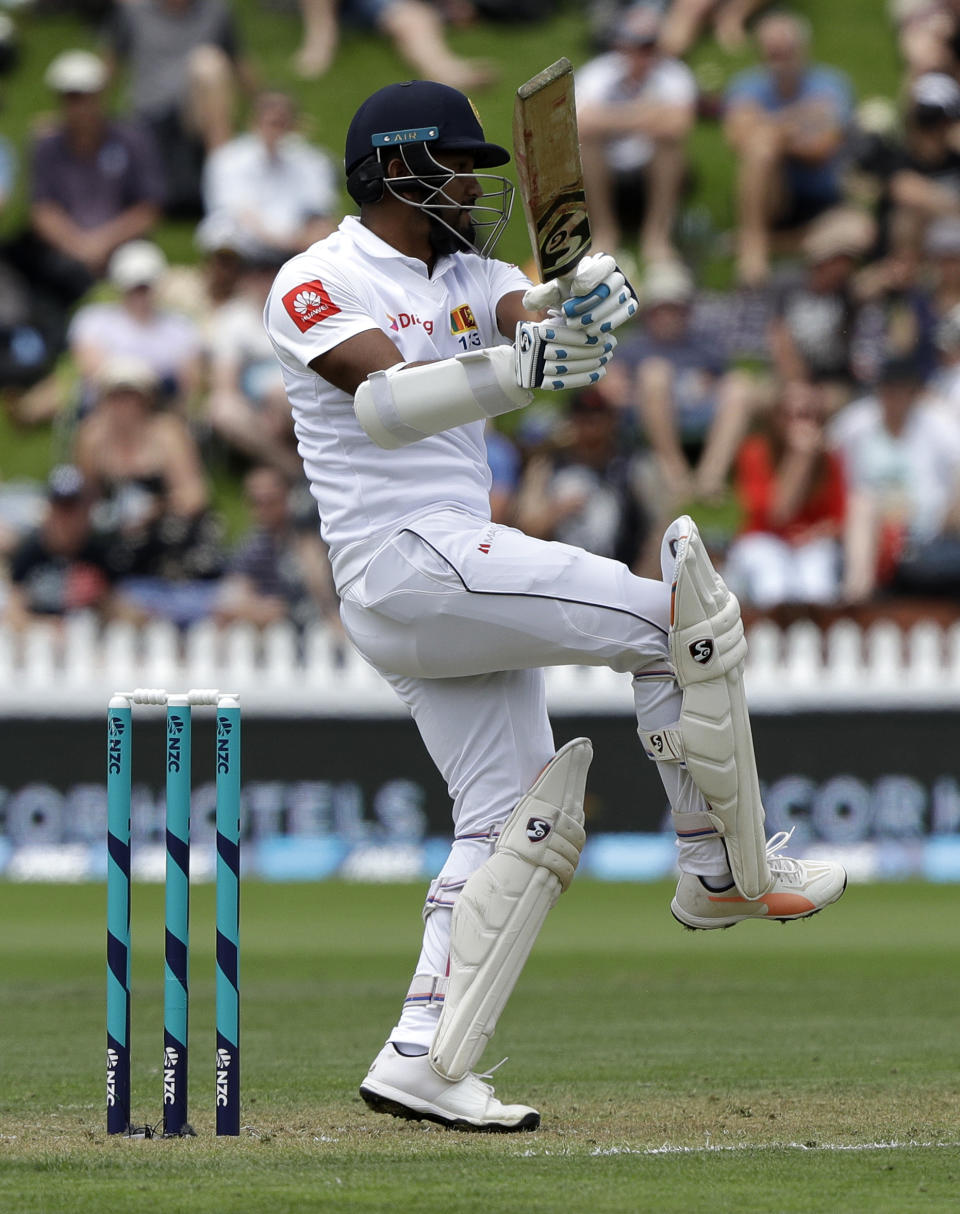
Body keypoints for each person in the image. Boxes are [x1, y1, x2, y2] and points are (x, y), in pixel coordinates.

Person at [264, 80, 846, 1133]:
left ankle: (424, 1055)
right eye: (454, 166)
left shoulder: (469, 273)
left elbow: (532, 306)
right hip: (410, 560)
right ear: (394, 167)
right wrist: (517, 365)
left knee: (507, 820)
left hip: (437, 585)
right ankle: (718, 865)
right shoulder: (316, 277)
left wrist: (590, 297)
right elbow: (388, 403)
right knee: (681, 626)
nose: (471, 187)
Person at [13, 49, 165, 305]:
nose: (79, 106)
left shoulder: (133, 140)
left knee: (142, 265)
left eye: (85, 96)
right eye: (72, 97)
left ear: (101, 96)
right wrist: (80, 247)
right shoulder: (46, 146)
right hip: (65, 250)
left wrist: (102, 243)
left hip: (122, 246)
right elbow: (42, 210)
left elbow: (148, 209)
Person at [724, 12, 855, 285]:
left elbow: (822, 148)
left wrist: (769, 130)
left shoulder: (833, 84)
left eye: (785, 52)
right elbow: (737, 138)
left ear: (802, 50)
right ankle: (755, 246)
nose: (779, 61)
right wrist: (799, 120)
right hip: (774, 197)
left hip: (822, 201)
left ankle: (765, 243)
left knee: (860, 232)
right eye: (772, 53)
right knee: (761, 150)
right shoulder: (745, 86)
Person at [576, 4, 697, 262]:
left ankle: (657, 236)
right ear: (622, 46)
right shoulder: (598, 72)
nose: (646, 54)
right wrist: (646, 114)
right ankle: (605, 232)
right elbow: (581, 124)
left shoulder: (673, 73)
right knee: (587, 144)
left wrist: (610, 118)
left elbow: (678, 124)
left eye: (651, 45)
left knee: (669, 145)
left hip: (650, 169)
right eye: (640, 46)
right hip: (607, 169)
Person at [202, 90, 338, 261]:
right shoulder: (227, 160)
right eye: (272, 123)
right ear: (254, 123)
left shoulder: (313, 162)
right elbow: (239, 214)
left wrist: (301, 238)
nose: (277, 132)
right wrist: (283, 241)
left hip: (298, 246)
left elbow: (320, 213)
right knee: (222, 237)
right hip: (246, 246)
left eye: (284, 124)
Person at [4, 464, 116, 630]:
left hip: (90, 638)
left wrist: (99, 600)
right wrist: (47, 627)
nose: (65, 518)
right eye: (60, 508)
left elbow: (118, 607)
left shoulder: (100, 552)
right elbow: (13, 611)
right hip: (41, 639)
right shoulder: (29, 551)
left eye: (72, 508)